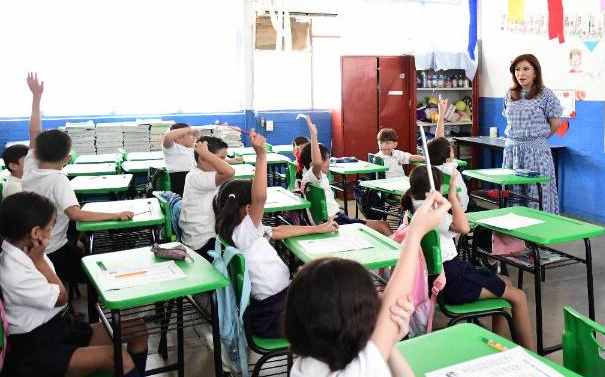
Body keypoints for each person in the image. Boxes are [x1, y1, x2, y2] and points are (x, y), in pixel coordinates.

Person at [285, 189, 452, 376]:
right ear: (356, 325)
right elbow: (392, 305)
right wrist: (415, 233)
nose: (380, 299)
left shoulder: (307, 364)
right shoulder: (354, 370)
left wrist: (389, 342)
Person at [0, 192, 148, 377]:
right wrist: (40, 261)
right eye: (50, 227)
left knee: (138, 330)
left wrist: (39, 258)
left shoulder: (28, 250)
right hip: (36, 348)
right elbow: (62, 297)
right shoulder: (15, 270)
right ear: (35, 233)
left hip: (59, 328)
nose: (51, 232)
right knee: (119, 358)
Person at [214, 130, 338, 338]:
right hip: (276, 313)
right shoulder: (244, 231)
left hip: (278, 301)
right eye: (254, 206)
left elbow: (278, 231)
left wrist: (317, 228)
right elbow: (260, 197)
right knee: (332, 293)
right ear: (248, 208)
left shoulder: (237, 229)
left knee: (319, 278)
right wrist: (261, 155)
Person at [400, 165, 534, 348]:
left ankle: (499, 342)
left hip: (438, 278)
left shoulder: (412, 207)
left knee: (505, 281)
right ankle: (531, 354)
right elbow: (464, 228)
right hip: (451, 282)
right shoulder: (432, 212)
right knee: (519, 296)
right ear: (434, 190)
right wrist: (452, 196)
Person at [22, 72, 133, 283]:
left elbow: (34, 131)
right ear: (66, 158)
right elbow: (75, 214)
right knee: (95, 277)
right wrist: (116, 214)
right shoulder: (58, 180)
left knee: (80, 244)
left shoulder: (31, 165)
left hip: (31, 245)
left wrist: (36, 97)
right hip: (53, 249)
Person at [299, 115, 392, 236]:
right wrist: (313, 135)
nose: (329, 163)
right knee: (383, 225)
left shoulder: (307, 175)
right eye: (327, 159)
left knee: (382, 224)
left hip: (337, 218)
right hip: (335, 221)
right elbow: (317, 163)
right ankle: (403, 248)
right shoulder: (314, 176)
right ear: (314, 163)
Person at [501, 54, 563, 214]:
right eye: (517, 69)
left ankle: (540, 229)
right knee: (512, 196)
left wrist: (537, 140)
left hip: (536, 154)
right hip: (512, 153)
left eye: (526, 69)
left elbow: (556, 123)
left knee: (536, 196)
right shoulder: (510, 94)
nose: (521, 73)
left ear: (535, 72)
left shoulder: (546, 94)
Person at [179, 135, 234, 261]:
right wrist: (205, 153)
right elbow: (229, 172)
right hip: (201, 242)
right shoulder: (197, 177)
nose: (223, 163)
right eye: (221, 159)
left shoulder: (205, 173)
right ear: (203, 158)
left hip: (204, 234)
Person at [428, 98, 470, 211]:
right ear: (447, 159)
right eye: (451, 151)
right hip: (458, 208)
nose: (453, 152)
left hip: (441, 207)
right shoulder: (450, 169)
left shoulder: (431, 167)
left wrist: (441, 113)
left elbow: (439, 140)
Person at [162, 123, 198, 196]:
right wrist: (189, 129)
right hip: (180, 180)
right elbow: (168, 136)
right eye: (190, 135)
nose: (193, 138)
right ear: (179, 137)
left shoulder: (190, 149)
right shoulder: (171, 148)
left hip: (193, 178)